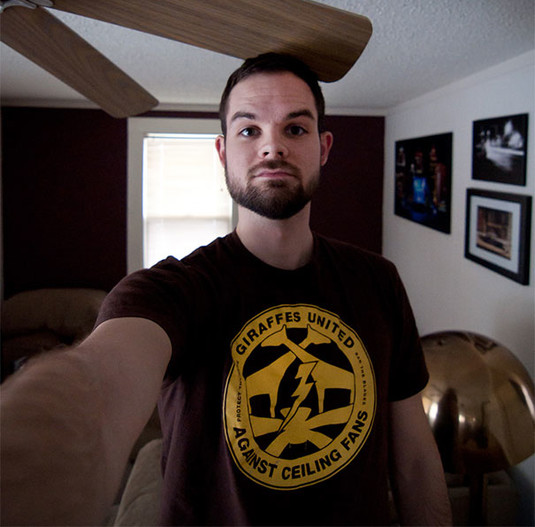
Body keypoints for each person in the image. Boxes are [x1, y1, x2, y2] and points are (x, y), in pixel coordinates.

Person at [1, 53, 452, 526]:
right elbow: (100, 385)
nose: (272, 147)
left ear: (323, 147)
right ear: (222, 152)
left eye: (295, 128)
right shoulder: (171, 291)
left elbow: (415, 460)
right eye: (249, 130)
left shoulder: (378, 281)